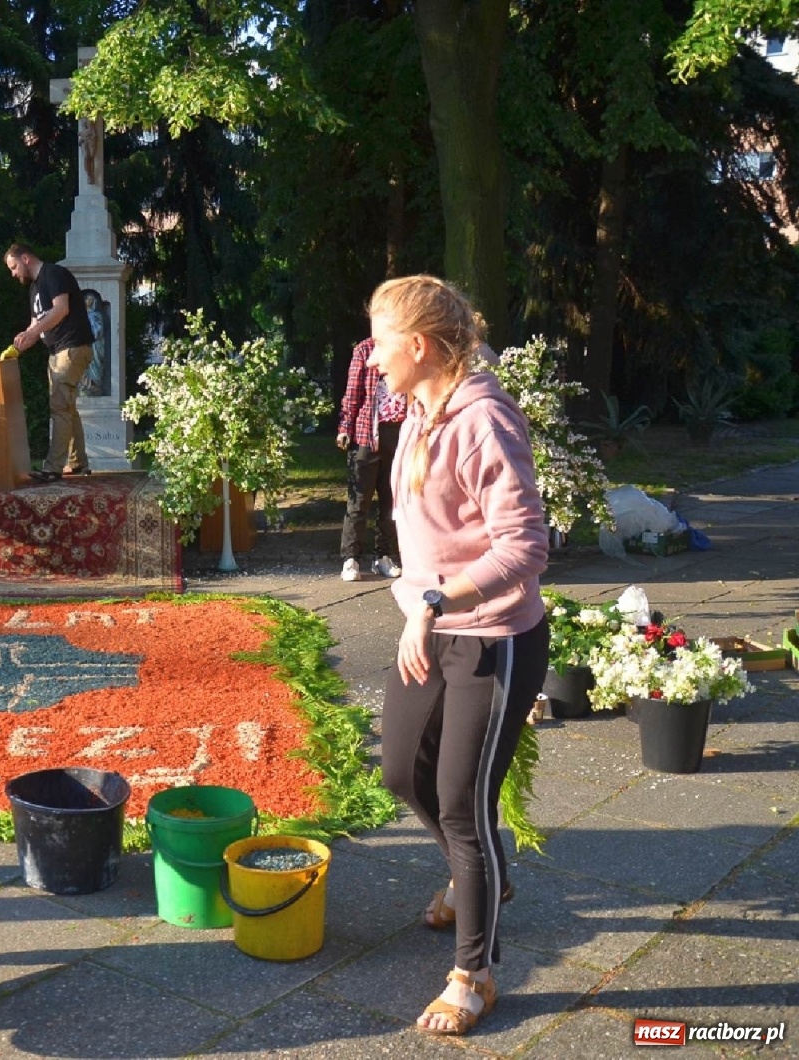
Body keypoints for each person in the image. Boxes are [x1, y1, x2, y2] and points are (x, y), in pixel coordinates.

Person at [366, 275, 549, 1037]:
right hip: (432, 634)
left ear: (417, 345)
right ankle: (482, 878)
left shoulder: (483, 421)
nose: (372, 360)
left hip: (493, 642)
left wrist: (439, 602)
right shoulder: (420, 412)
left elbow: (526, 546)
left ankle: (474, 974)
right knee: (401, 770)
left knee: (461, 805)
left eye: (379, 342)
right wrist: (418, 604)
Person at [2, 243, 95, 481]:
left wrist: (33, 333)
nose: (13, 274)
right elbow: (36, 324)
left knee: (60, 407)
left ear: (25, 258)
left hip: (72, 348)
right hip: (58, 352)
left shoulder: (54, 273)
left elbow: (61, 309)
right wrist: (19, 345)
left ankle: (53, 468)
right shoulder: (34, 288)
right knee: (67, 408)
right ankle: (77, 463)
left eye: (13, 267)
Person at [336, 337, 407, 582]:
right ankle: (351, 558)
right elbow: (352, 394)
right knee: (359, 501)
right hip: (366, 435)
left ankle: (383, 557)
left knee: (391, 501)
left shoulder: (406, 346)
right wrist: (345, 427)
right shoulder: (364, 350)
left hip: (398, 432)